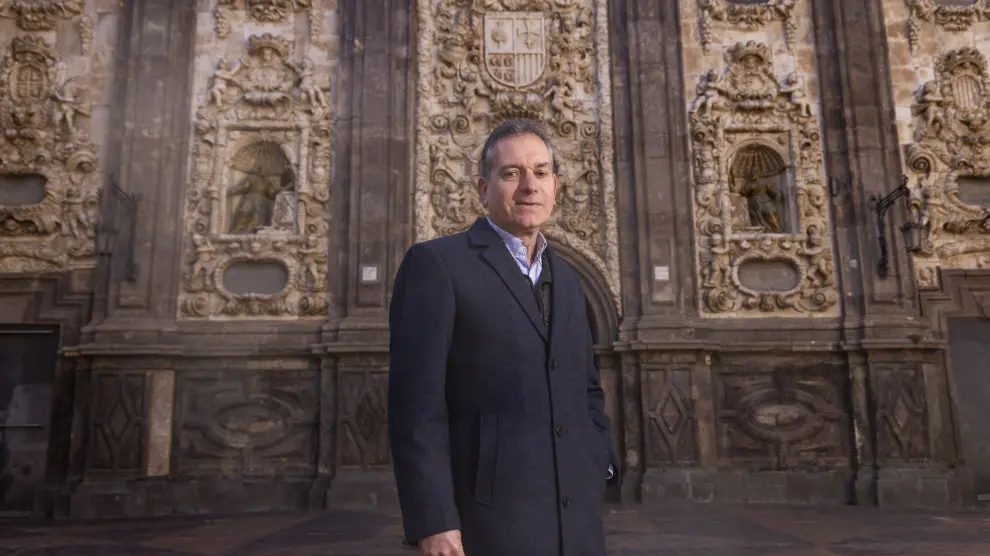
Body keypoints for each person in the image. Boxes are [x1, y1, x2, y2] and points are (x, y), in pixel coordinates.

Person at [388, 119, 620, 556]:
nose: (530, 186)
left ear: (555, 187)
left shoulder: (568, 279)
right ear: (483, 189)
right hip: (488, 520)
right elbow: (415, 407)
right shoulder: (437, 265)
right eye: (512, 173)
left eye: (541, 172)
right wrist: (434, 520)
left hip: (577, 521)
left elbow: (587, 386)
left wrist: (598, 461)